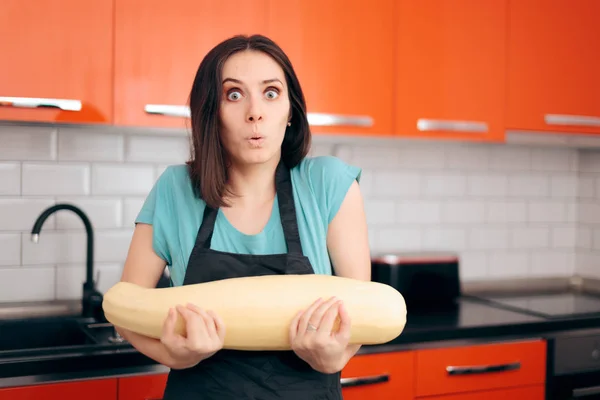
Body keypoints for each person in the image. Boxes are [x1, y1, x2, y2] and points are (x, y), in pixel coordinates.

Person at [116, 34, 371, 399]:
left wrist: (334, 358)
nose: (255, 112)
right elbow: (125, 308)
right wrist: (172, 354)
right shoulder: (175, 189)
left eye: (271, 93)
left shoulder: (328, 184)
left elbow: (359, 313)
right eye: (234, 95)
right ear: (211, 114)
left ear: (290, 112)